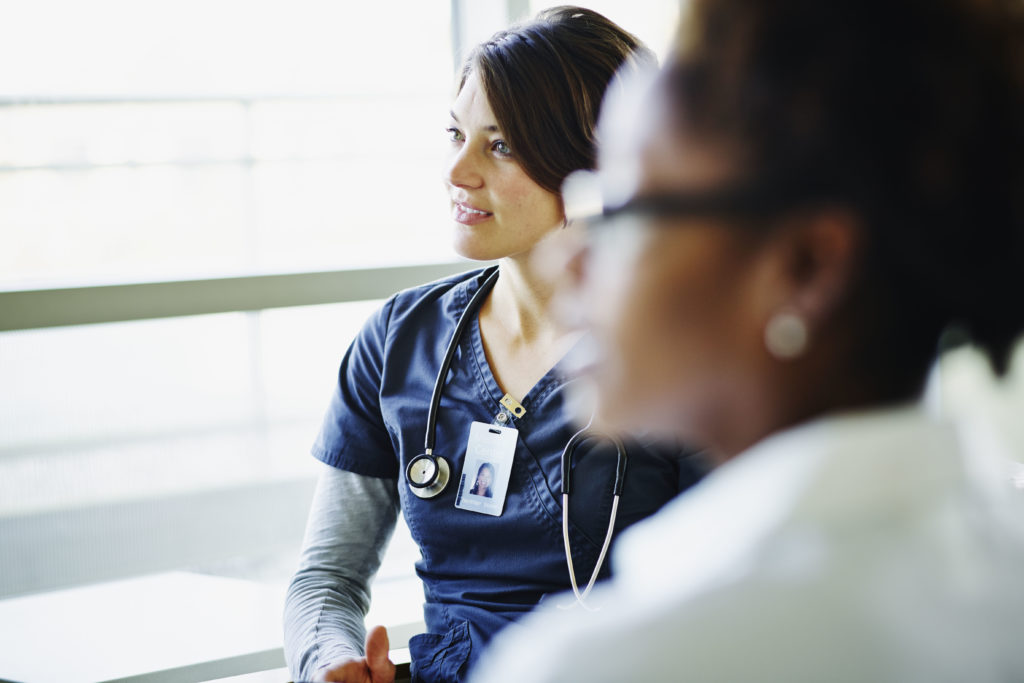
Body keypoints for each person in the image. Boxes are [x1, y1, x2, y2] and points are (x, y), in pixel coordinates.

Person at [470, 0, 1024, 681]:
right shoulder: (999, 564)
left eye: (620, 209)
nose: (571, 260)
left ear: (805, 268)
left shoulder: (618, 660)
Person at [283, 8, 707, 683]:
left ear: (598, 165)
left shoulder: (681, 354)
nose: (457, 170)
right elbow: (326, 577)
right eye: (455, 134)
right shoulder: (399, 341)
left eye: (500, 145)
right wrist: (328, 657)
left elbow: (723, 600)